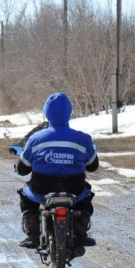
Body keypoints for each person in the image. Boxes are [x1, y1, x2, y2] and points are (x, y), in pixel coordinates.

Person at [15, 92, 99, 248]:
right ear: (69, 112)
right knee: (85, 198)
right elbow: (93, 166)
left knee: (26, 197)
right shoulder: (83, 138)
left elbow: (22, 169)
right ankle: (80, 232)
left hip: (42, 188)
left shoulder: (36, 138)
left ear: (47, 113)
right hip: (74, 187)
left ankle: (33, 234)